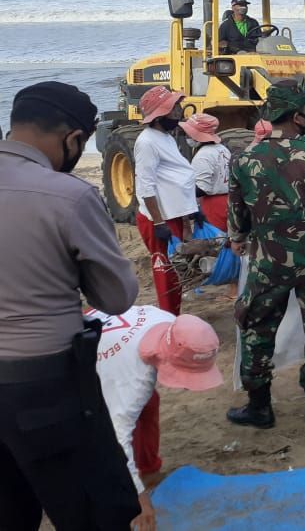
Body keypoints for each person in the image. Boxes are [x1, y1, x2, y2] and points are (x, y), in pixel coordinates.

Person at [0, 81, 141, 530]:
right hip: (46, 386)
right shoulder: (69, 196)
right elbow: (117, 297)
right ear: (73, 139)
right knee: (96, 510)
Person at [227, 83, 305, 430]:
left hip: (268, 263)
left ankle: (260, 408)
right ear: (298, 116)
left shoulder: (244, 160)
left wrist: (245, 239)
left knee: (257, 329)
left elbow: (238, 222)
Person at [90, 306, 223, 530]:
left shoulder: (170, 323)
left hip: (104, 340)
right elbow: (117, 440)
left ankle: (149, 470)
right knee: (96, 431)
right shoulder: (132, 379)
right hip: (72, 364)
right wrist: (139, 501)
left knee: (148, 403)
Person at [135, 86, 199, 315]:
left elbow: (173, 179)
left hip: (172, 214)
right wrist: (159, 223)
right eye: (174, 108)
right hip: (158, 218)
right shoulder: (146, 142)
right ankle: (168, 316)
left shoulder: (165, 138)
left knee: (177, 268)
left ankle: (174, 313)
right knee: (165, 271)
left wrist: (188, 215)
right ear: (160, 115)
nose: (180, 112)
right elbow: (145, 186)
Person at [181, 112, 231, 231]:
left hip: (213, 206)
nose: (187, 136)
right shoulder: (223, 149)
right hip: (228, 201)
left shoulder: (203, 155)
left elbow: (202, 188)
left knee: (212, 243)